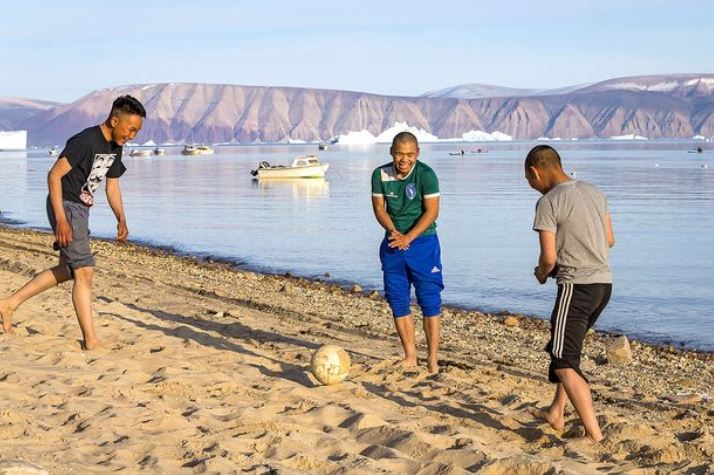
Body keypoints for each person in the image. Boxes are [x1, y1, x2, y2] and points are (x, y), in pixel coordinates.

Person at [0, 95, 146, 350]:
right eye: (130, 128)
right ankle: (90, 341)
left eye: (136, 131)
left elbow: (112, 186)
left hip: (80, 210)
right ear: (114, 120)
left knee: (68, 270)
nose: (132, 135)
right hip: (66, 206)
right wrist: (60, 220)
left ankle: (8, 304)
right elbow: (54, 176)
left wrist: (121, 217)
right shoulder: (86, 140)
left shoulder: (115, 146)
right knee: (84, 272)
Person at [524, 145, 615, 445]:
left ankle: (593, 434)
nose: (530, 186)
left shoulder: (549, 202)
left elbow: (548, 259)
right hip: (604, 285)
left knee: (562, 360)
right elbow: (610, 240)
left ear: (535, 172)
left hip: (576, 286)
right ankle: (556, 412)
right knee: (567, 349)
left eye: (529, 180)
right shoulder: (593, 191)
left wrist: (540, 273)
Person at [371, 131, 444, 373]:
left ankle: (432, 359)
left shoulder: (426, 175)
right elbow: (379, 209)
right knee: (398, 300)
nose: (405, 159)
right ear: (391, 152)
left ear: (417, 154)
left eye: (410, 154)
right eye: (400, 154)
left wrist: (409, 237)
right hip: (393, 243)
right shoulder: (380, 174)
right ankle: (410, 355)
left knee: (430, 301)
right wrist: (394, 232)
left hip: (423, 243)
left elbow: (432, 212)